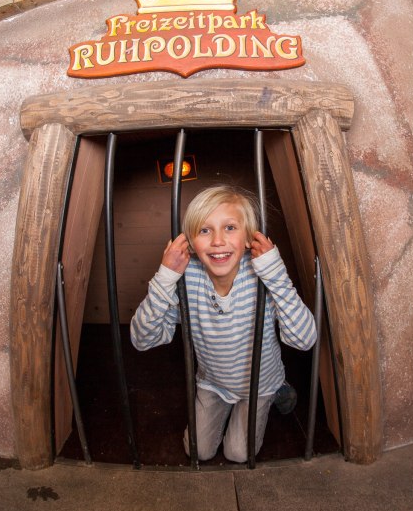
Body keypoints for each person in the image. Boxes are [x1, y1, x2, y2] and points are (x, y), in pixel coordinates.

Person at [130, 185, 316, 463]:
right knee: (198, 451)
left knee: (239, 454)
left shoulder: (262, 273)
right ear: (190, 242)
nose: (218, 241)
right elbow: (142, 339)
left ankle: (279, 388)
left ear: (248, 238)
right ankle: (238, 403)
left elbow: (304, 339)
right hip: (213, 382)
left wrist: (276, 276)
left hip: (259, 382)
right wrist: (166, 276)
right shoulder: (185, 278)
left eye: (230, 227)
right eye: (205, 230)